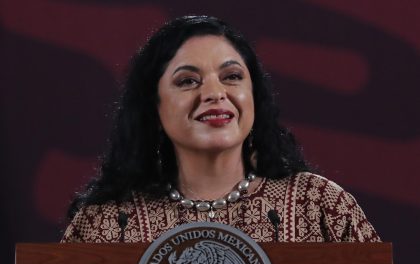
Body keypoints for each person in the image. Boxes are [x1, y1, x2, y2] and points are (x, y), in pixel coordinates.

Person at [62, 15, 380, 243]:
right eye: (188, 81)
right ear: (154, 106)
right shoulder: (107, 222)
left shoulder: (320, 204)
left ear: (254, 96)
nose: (215, 93)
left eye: (231, 77)